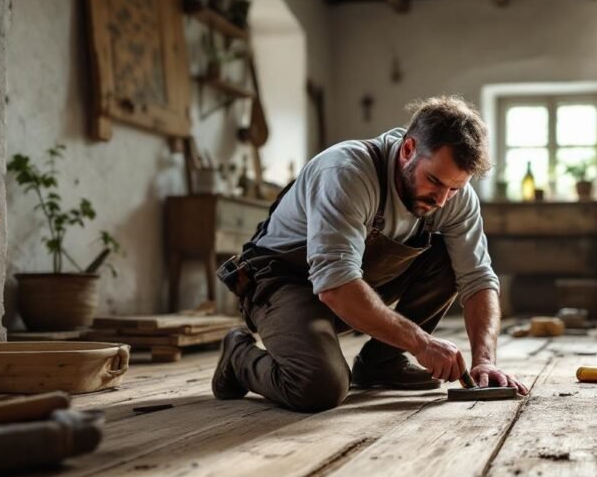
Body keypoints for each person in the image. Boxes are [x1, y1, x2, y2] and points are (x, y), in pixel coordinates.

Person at [212, 95, 529, 412]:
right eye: (433, 181)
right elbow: (336, 285)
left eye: (455, 188)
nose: (443, 200)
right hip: (281, 281)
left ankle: (381, 364)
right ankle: (237, 355)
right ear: (407, 150)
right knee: (318, 387)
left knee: (447, 259)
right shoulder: (346, 172)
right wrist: (421, 343)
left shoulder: (452, 196)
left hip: (351, 283)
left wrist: (485, 360)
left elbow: (478, 279)